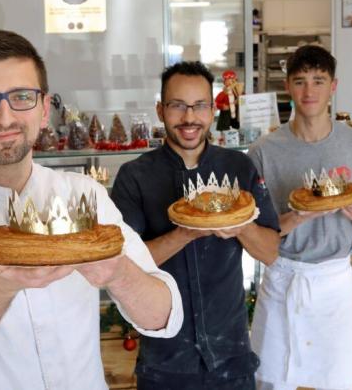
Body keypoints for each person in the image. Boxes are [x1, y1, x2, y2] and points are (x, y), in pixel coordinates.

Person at [0, 30, 184, 390]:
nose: (5, 117)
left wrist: (118, 273)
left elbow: (164, 317)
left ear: (44, 109)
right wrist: (0, 285)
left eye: (22, 97)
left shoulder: (85, 196)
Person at [111, 61, 281, 390]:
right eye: (178, 106)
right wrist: (186, 232)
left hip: (231, 359)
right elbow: (124, 264)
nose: (190, 118)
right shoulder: (135, 177)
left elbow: (272, 251)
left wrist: (240, 225)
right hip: (165, 362)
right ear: (160, 110)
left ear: (212, 109)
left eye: (200, 106)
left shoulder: (238, 167)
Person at [247, 45, 352, 390]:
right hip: (283, 278)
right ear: (288, 87)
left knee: (338, 382)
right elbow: (256, 233)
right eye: (301, 81)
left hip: (336, 281)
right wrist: (296, 217)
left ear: (333, 87)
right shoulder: (264, 151)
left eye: (319, 81)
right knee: (274, 382)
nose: (310, 92)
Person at [215, 69, 243, 138]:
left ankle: (237, 137)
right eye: (228, 80)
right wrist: (222, 106)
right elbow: (216, 103)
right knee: (225, 128)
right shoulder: (223, 94)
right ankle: (223, 138)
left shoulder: (238, 92)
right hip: (226, 114)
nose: (230, 82)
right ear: (224, 82)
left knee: (237, 126)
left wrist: (240, 99)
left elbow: (244, 100)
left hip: (236, 113)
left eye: (232, 80)